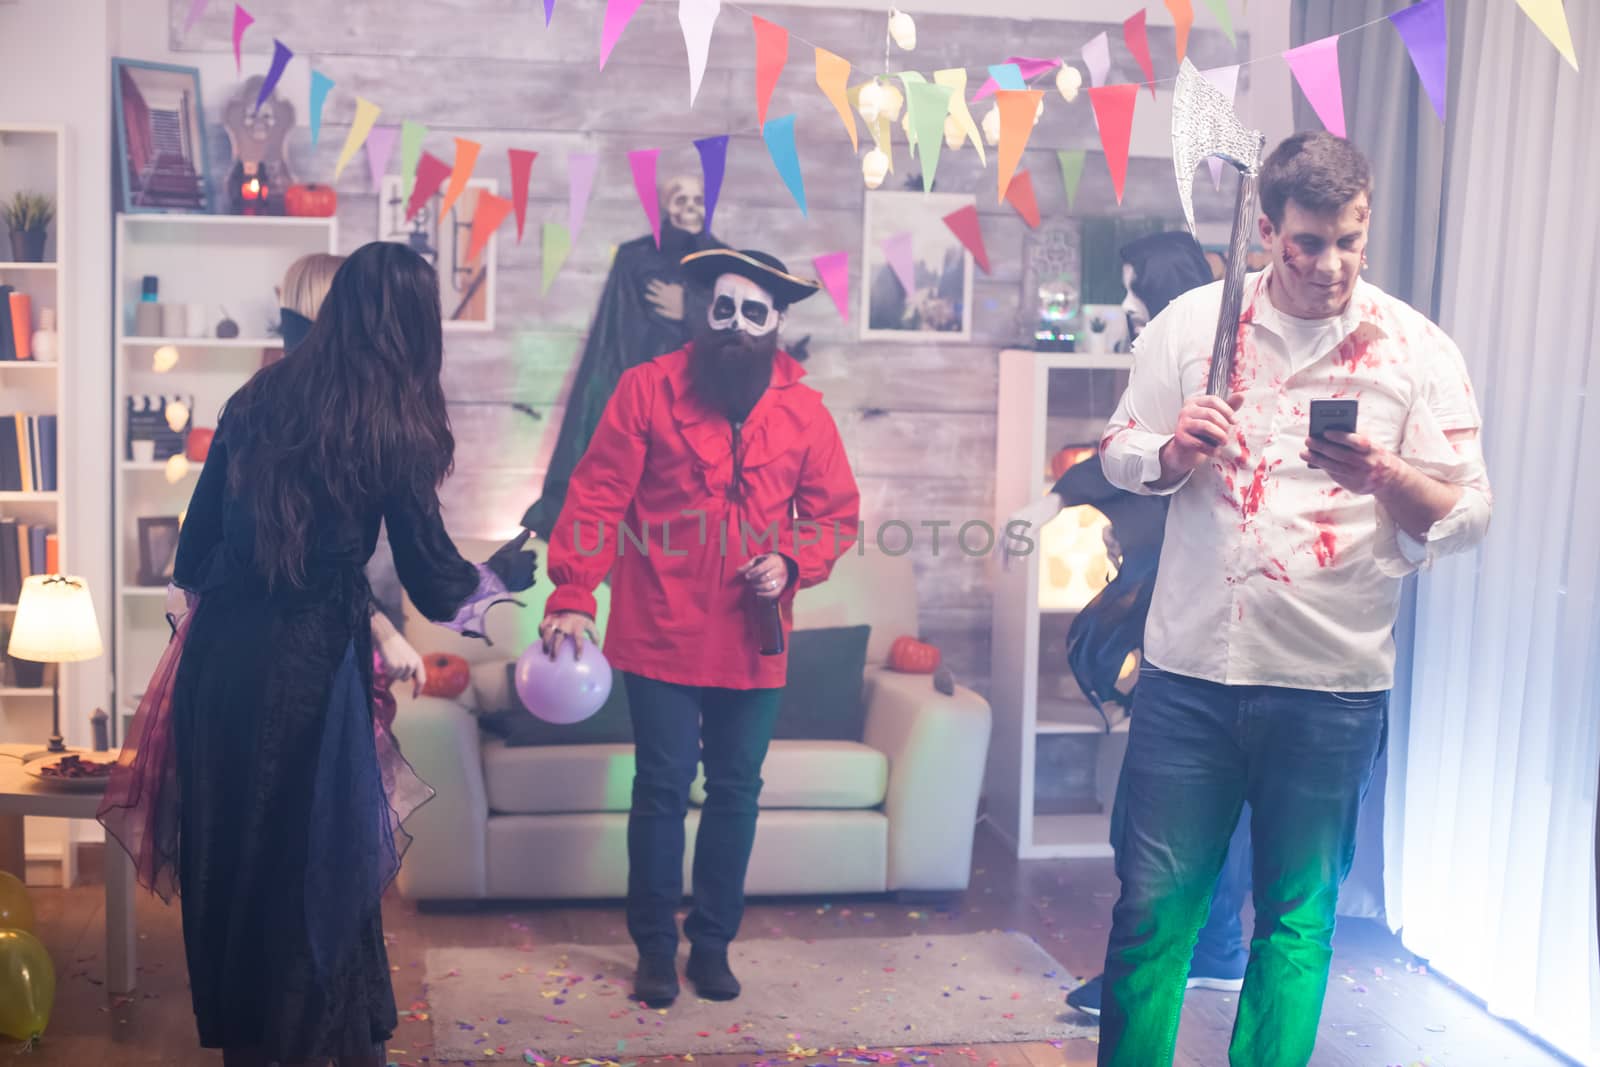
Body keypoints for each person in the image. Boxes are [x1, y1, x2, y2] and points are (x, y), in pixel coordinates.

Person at [1093, 132, 1491, 1066]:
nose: (1330, 265)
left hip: (1332, 683)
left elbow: (1469, 513)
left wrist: (1389, 473)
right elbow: (1116, 449)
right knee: (1152, 916)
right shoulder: (1192, 326)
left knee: (1297, 924)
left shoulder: (1416, 349)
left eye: (1350, 240)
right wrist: (1171, 452)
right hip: (1189, 673)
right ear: (1266, 230)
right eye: (1308, 242)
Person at [99, 241, 538, 1067]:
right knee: (322, 870)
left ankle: (260, 1049)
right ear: (410, 325)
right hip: (305, 672)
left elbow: (192, 556)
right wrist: (499, 574)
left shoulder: (255, 396)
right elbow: (434, 578)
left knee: (238, 862)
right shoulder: (393, 420)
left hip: (222, 665)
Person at [539, 248, 860, 1008]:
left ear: (777, 323)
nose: (737, 327)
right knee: (659, 788)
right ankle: (654, 944)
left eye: (755, 313)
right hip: (658, 629)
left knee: (736, 791)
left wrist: (791, 558)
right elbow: (597, 495)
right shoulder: (645, 390)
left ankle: (712, 941)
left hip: (754, 637)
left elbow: (833, 515)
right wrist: (576, 589)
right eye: (724, 308)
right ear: (701, 311)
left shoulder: (806, 413)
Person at [1006, 232, 1255, 1017]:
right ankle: (1213, 950)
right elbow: (1123, 457)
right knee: (1189, 805)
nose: (1123, 309)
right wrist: (1055, 504)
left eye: (1131, 292)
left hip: (1211, 623)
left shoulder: (1213, 371)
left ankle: (1182, 960)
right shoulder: (1168, 365)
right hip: (1176, 617)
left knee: (1160, 813)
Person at [521, 174, 725, 539]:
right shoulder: (635, 259)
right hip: (649, 394)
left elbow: (733, 333)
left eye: (698, 199)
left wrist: (690, 310)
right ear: (665, 206)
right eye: (681, 199)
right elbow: (613, 333)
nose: (691, 208)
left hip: (702, 398)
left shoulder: (724, 261)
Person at [278, 252, 427, 711]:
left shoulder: (270, 399)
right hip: (306, 640)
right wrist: (383, 631)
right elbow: (309, 557)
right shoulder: (318, 418)